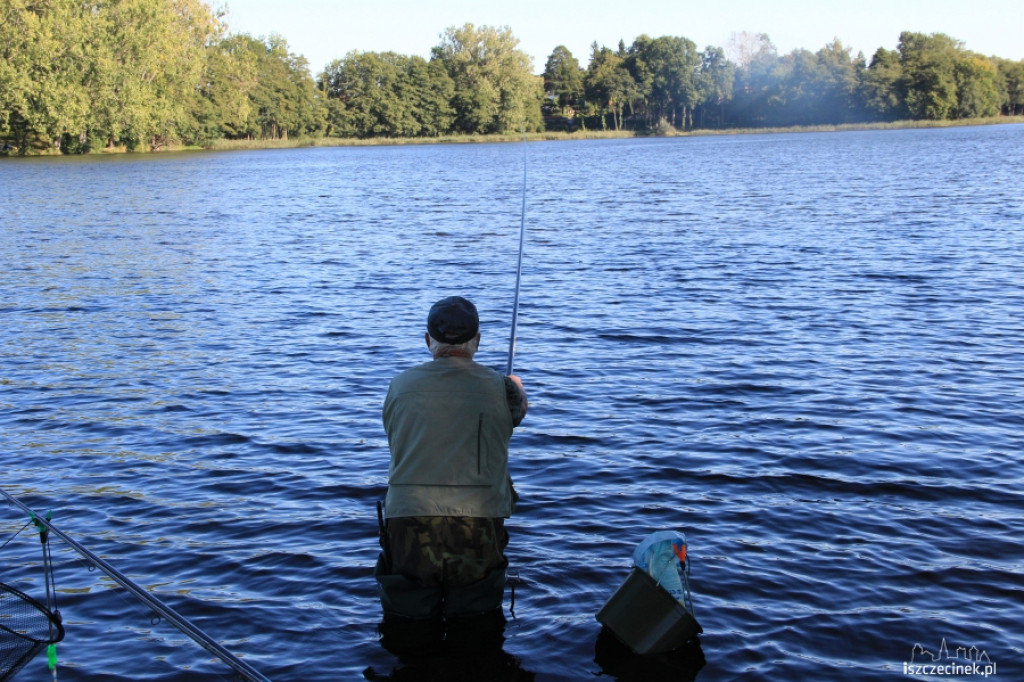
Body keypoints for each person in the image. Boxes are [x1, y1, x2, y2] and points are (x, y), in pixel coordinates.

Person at [375, 295, 528, 624]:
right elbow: (516, 415)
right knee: (475, 622)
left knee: (407, 619)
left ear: (428, 340)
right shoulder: (504, 389)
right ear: (479, 341)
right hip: (478, 519)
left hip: (408, 517)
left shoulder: (398, 386)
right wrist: (516, 386)